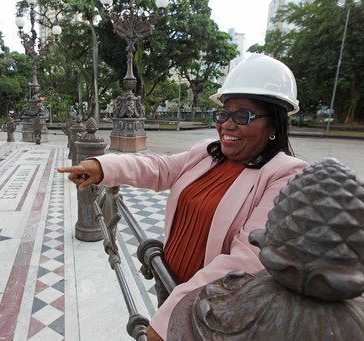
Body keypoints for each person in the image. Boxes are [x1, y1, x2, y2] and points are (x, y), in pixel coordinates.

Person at [57, 53, 308, 340]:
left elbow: (247, 259)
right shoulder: (208, 152)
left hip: (210, 309)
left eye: (243, 116)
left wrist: (170, 316)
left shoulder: (285, 175)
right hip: (169, 280)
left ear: (274, 125)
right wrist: (102, 166)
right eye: (223, 113)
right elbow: (160, 168)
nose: (226, 124)